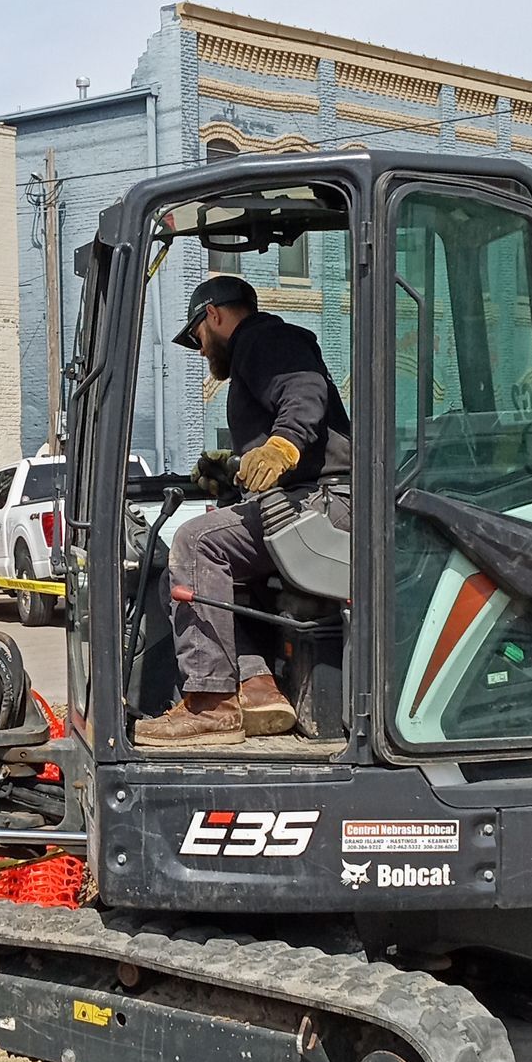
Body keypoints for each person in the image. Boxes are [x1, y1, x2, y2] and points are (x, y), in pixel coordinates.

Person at [137, 274, 351, 748]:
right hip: (308, 501)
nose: (200, 350)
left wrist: (282, 445)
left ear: (213, 315)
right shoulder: (258, 350)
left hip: (326, 505)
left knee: (194, 544)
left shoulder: (263, 336)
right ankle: (258, 689)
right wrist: (234, 470)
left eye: (197, 337)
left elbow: (304, 390)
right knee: (207, 574)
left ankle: (210, 705)